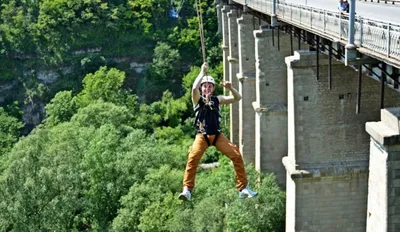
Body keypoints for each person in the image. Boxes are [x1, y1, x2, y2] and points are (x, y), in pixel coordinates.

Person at [178, 63, 258, 201]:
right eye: (205, 86)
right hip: (202, 135)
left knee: (236, 155)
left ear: (213, 88)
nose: (207, 88)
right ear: (202, 88)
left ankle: (243, 188)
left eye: (210, 86)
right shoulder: (197, 100)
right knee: (193, 158)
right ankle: (187, 189)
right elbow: (193, 88)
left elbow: (237, 98)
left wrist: (230, 88)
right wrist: (202, 73)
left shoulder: (218, 100)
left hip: (217, 135)